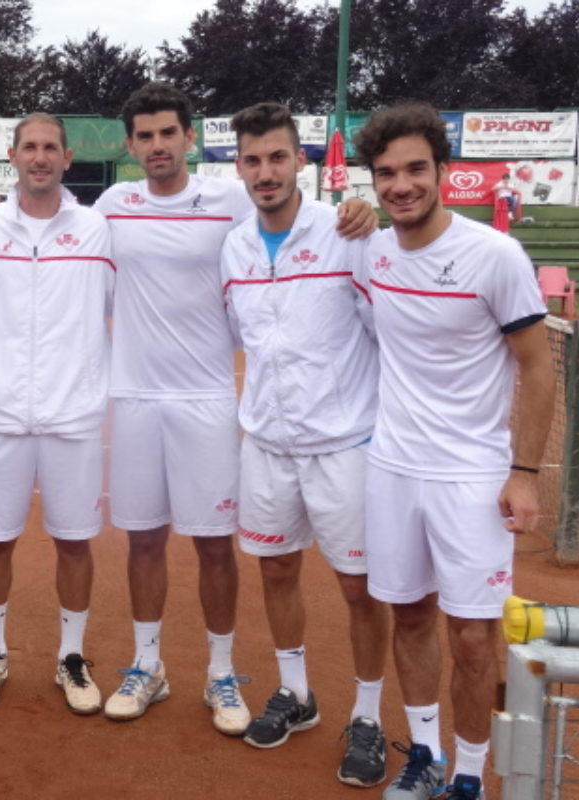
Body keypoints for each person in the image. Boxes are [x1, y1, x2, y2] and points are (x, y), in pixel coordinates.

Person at [0, 82, 374, 735]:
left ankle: (220, 674)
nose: (157, 146)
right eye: (145, 137)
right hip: (131, 399)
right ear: (131, 146)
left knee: (214, 548)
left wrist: (355, 207)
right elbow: (41, 214)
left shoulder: (235, 197)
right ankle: (146, 665)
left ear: (189, 138)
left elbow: (296, 211)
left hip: (207, 398)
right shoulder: (111, 210)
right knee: (144, 540)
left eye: (168, 134)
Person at [353, 102, 553, 800]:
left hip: (471, 476)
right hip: (393, 470)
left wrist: (522, 474)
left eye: (414, 169)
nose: (400, 185)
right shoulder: (374, 251)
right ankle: (425, 755)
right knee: (408, 616)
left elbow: (537, 363)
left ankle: (469, 774)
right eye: (385, 174)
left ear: (443, 172)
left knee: (472, 639)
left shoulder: (493, 255)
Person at [220, 102, 390, 785]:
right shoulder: (232, 246)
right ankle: (296, 694)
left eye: (278, 157)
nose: (266, 172)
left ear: (301, 162)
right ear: (239, 167)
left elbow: (386, 332)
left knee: (358, 586)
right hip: (265, 441)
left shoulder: (349, 235)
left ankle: (370, 715)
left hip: (344, 444)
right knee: (277, 569)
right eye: (253, 160)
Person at [0, 113, 114, 716]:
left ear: (67, 159)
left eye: (51, 147)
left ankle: (71, 655)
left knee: (74, 543)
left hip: (72, 418)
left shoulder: (99, 229)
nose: (41, 157)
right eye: (30, 147)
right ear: (12, 155)